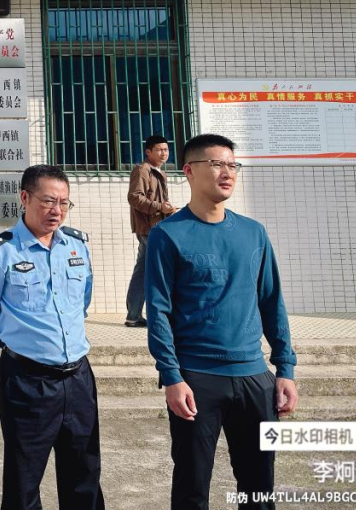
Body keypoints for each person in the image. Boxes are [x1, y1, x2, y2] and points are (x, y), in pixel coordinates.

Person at [145, 133, 298, 510]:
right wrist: (172, 377)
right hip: (197, 379)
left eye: (232, 165)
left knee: (259, 486)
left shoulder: (253, 232)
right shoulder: (167, 234)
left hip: (254, 378)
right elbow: (158, 312)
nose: (227, 172)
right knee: (192, 486)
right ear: (189, 171)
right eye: (216, 164)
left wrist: (285, 369)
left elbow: (271, 302)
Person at [0, 164, 104, 510]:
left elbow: (82, 300)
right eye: (47, 201)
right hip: (27, 381)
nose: (56, 210)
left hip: (78, 378)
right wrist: (21, 344)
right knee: (24, 475)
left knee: (85, 470)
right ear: (25, 198)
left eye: (63, 202)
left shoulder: (76, 246)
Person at [125, 135, 177, 327]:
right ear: (148, 152)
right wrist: (159, 207)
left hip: (156, 227)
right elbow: (134, 197)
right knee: (155, 271)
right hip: (148, 229)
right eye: (159, 150)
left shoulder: (158, 172)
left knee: (143, 271)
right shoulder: (142, 170)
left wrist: (167, 209)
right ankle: (156, 314)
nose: (164, 153)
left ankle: (134, 315)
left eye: (166, 149)